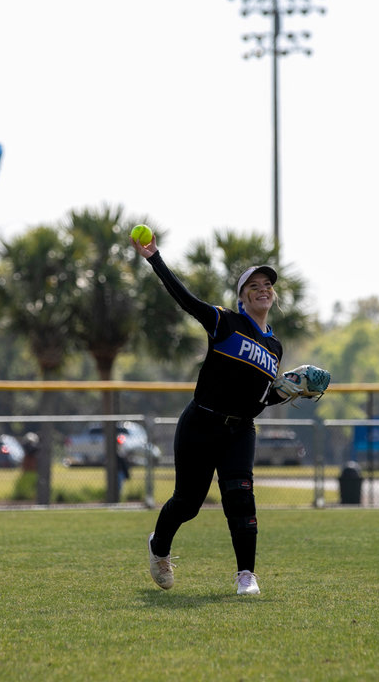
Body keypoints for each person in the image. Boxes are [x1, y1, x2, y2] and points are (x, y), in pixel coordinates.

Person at [131, 231, 305, 596]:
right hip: (201, 422)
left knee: (241, 495)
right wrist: (155, 258)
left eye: (267, 285)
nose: (262, 289)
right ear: (243, 297)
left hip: (240, 430)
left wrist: (285, 391)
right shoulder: (224, 322)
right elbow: (186, 300)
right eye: (254, 285)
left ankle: (246, 575)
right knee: (188, 502)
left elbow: (258, 401)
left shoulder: (274, 347)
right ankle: (158, 546)